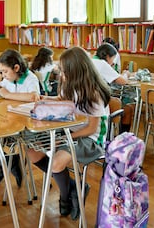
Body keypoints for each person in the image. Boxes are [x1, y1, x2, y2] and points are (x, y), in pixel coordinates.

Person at [27, 46, 111, 220]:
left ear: (76, 70)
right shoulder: (71, 85)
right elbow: (62, 100)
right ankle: (73, 187)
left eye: (64, 71)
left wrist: (66, 138)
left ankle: (65, 196)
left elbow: (91, 129)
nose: (61, 75)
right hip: (69, 131)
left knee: (56, 163)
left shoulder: (93, 93)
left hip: (91, 139)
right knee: (31, 151)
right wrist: (43, 98)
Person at [0, 49, 40, 187]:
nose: (3, 75)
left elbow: (33, 97)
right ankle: (7, 163)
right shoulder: (10, 78)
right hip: (9, 121)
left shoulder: (30, 78)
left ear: (16, 68)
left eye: (5, 72)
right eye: (1, 72)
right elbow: (2, 85)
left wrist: (7, 95)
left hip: (26, 125)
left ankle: (8, 163)